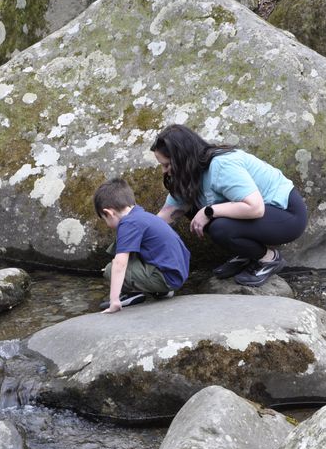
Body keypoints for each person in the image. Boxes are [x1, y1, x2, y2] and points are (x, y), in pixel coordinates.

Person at [151, 124, 307, 287]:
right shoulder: (190, 175)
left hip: (287, 216)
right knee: (195, 211)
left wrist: (208, 211)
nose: (164, 171)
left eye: (167, 165)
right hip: (261, 215)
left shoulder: (221, 165)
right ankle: (247, 254)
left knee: (219, 226)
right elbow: (166, 215)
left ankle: (268, 258)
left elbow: (255, 207)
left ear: (182, 157)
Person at [93, 178, 190, 314]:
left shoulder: (128, 223)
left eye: (105, 220)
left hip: (166, 277)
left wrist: (113, 300)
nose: (107, 224)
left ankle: (132, 293)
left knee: (110, 269)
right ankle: (161, 291)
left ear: (109, 213)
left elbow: (120, 264)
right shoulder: (141, 214)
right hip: (176, 272)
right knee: (127, 249)